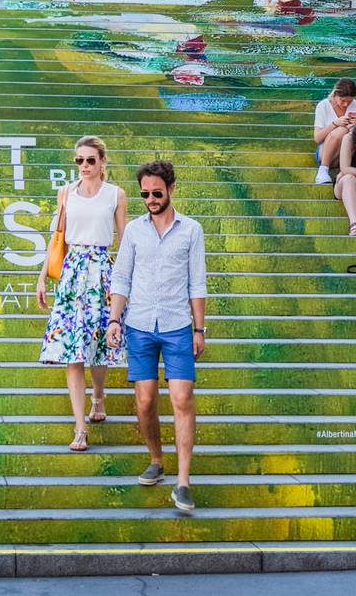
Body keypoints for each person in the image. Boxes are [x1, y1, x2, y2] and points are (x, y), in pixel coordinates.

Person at [106, 160, 206, 514]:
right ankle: (156, 459)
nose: (151, 199)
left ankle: (183, 482)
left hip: (178, 325)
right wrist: (114, 320)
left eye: (157, 193)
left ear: (171, 189)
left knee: (182, 397)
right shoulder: (134, 231)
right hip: (140, 324)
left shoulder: (191, 230)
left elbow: (197, 282)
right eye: (145, 194)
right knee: (145, 400)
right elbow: (121, 278)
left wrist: (199, 329)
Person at [36, 136, 128, 451]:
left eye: (90, 160)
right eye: (79, 160)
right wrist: (42, 277)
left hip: (102, 271)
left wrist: (125, 283)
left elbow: (124, 241)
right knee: (71, 352)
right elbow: (57, 237)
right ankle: (79, 428)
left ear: (102, 162)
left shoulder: (116, 194)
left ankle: (98, 397)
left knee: (98, 345)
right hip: (72, 273)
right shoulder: (66, 192)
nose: (84, 166)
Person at [313, 78, 356, 184]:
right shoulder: (323, 105)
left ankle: (340, 173)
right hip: (325, 152)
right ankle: (323, 170)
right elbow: (317, 138)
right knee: (341, 130)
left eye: (349, 101)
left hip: (349, 152)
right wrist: (335, 124)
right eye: (342, 100)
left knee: (347, 131)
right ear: (335, 94)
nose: (345, 104)